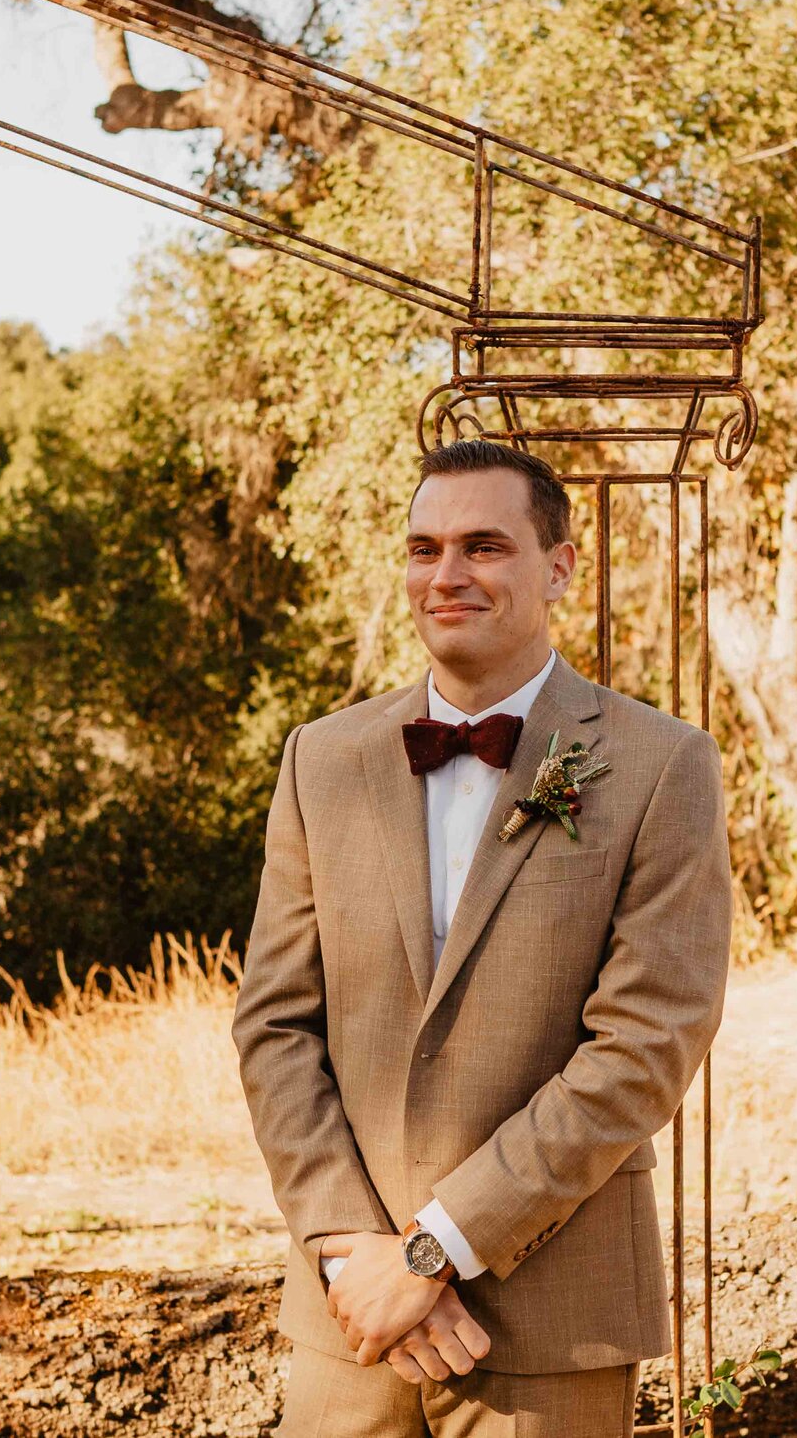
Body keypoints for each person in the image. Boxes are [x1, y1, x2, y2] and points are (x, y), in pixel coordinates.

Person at [233, 438, 731, 1437]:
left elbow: (643, 1050)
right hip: (351, 1322)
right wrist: (352, 1251)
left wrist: (434, 1250)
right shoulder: (320, 759)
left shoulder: (656, 763)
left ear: (558, 566)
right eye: (424, 548)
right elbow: (274, 1025)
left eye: (483, 546)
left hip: (549, 1325)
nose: (445, 574)